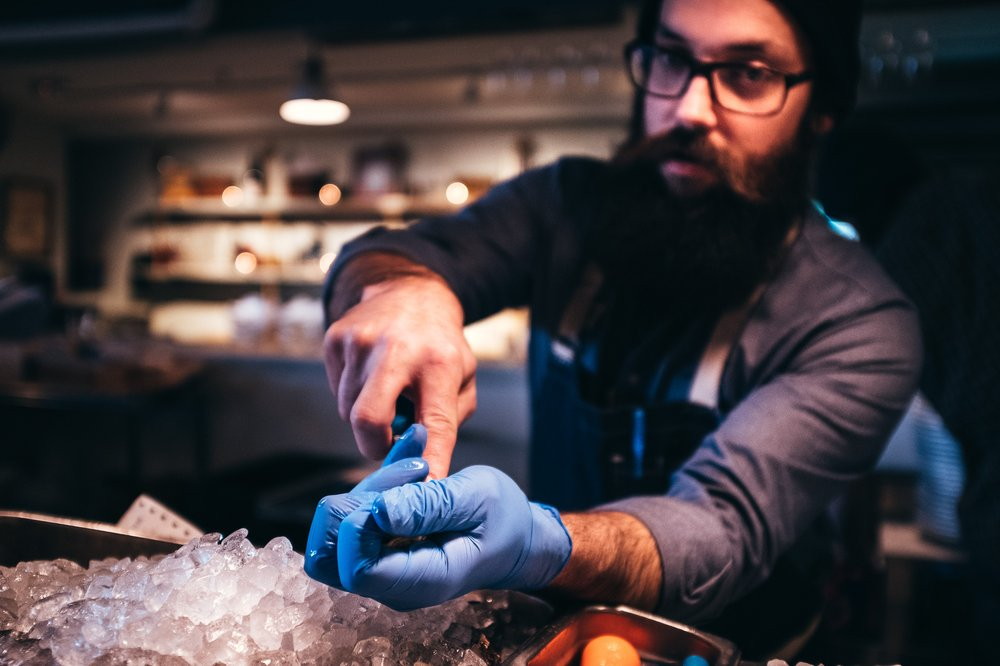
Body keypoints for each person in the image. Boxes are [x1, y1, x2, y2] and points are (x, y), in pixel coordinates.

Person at [304, 0, 922, 657]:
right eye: (671, 58)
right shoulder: (562, 206)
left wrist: (544, 541)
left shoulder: (858, 324)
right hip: (545, 633)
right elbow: (390, 253)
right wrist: (403, 290)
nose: (687, 108)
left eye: (747, 74)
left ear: (820, 110)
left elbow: (720, 525)